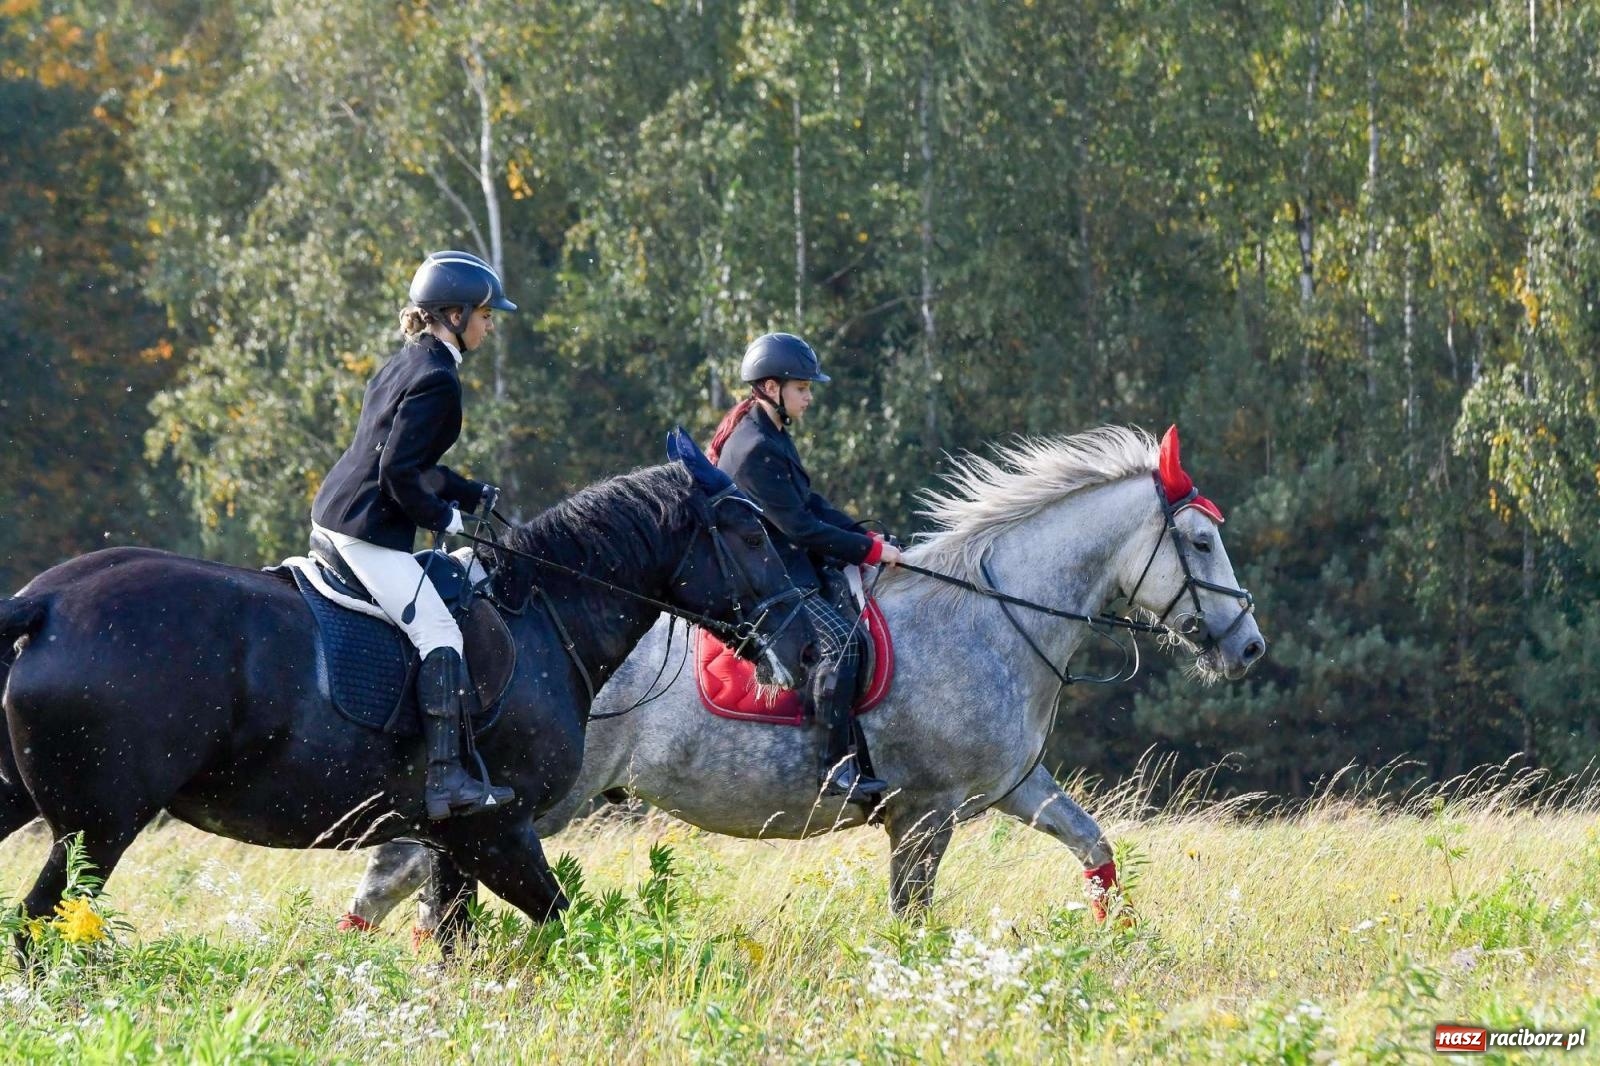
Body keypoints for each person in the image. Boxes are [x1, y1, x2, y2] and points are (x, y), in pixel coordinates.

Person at [311, 250, 517, 820]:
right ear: (453, 315)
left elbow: (408, 456)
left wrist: (467, 491)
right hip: (368, 531)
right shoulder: (439, 380)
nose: (489, 323)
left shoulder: (410, 361)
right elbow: (398, 475)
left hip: (340, 509)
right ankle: (447, 779)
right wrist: (443, 517)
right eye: (483, 313)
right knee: (441, 633)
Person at [707, 332, 903, 798]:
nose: (809, 397)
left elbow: (808, 502)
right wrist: (870, 553)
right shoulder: (755, 447)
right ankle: (835, 767)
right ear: (772, 388)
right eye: (802, 388)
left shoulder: (770, 431)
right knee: (845, 643)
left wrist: (862, 535)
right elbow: (801, 529)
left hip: (786, 562)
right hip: (765, 579)